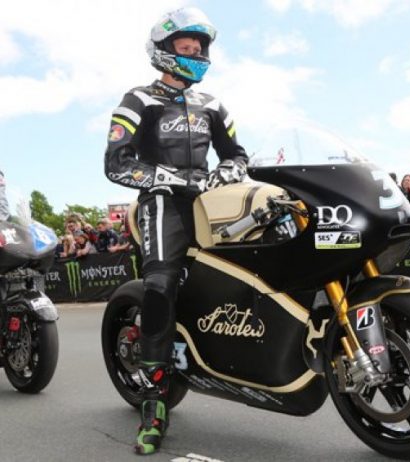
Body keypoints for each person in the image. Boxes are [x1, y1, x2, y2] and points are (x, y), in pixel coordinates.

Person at [103, 7, 248, 455]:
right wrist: (168, 178)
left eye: (199, 48)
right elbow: (116, 164)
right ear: (164, 51)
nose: (195, 55)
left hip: (209, 203)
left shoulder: (213, 105)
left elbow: (238, 154)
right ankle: (153, 402)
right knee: (161, 285)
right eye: (186, 48)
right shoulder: (138, 99)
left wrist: (228, 170)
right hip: (162, 204)